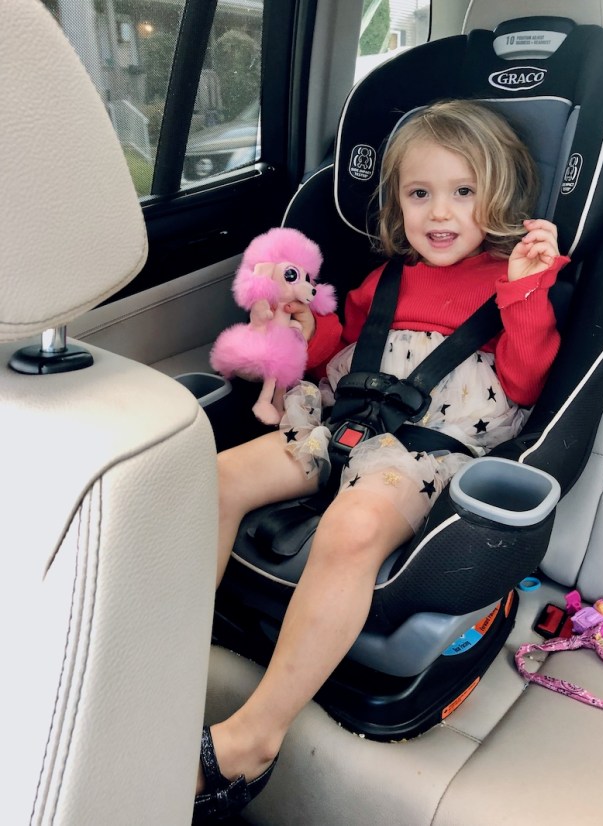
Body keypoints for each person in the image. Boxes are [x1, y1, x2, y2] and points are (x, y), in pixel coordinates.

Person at [193, 99, 570, 822]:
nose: (440, 213)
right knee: (213, 479)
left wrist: (527, 288)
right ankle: (174, 661)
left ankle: (253, 739)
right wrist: (305, 324)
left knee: (356, 523)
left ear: (500, 198)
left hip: (427, 456)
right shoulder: (385, 278)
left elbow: (525, 380)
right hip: (339, 428)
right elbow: (340, 351)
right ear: (397, 202)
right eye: (420, 192)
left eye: (464, 192)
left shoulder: (517, 279)